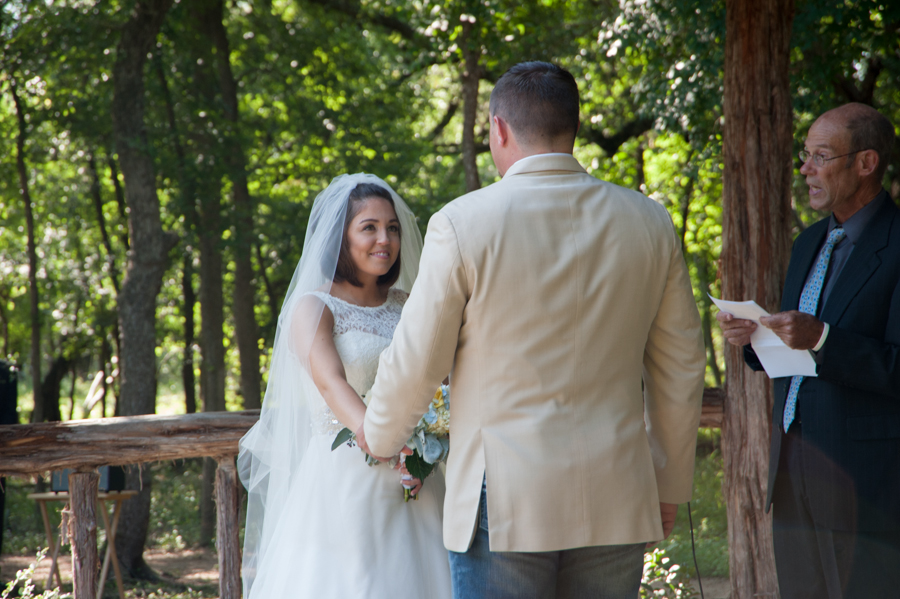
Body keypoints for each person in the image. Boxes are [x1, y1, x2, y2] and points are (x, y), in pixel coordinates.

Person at [359, 61, 706, 598]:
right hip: (618, 492)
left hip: (505, 498)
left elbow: (418, 358)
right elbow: (681, 367)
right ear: (574, 125)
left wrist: (379, 437)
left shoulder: (462, 223)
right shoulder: (649, 221)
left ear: (498, 128)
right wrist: (669, 482)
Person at [237, 173, 452, 598]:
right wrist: (384, 440)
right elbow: (332, 383)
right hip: (346, 480)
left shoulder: (407, 304)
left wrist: (428, 440)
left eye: (391, 227)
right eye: (368, 227)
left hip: (417, 476)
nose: (385, 240)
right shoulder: (315, 307)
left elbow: (438, 378)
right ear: (341, 237)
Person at [717, 103, 900, 598]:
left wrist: (821, 338)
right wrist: (753, 337)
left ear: (866, 163)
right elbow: (796, 346)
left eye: (821, 156)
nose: (805, 169)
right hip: (793, 469)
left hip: (867, 486)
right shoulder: (810, 242)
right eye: (805, 155)